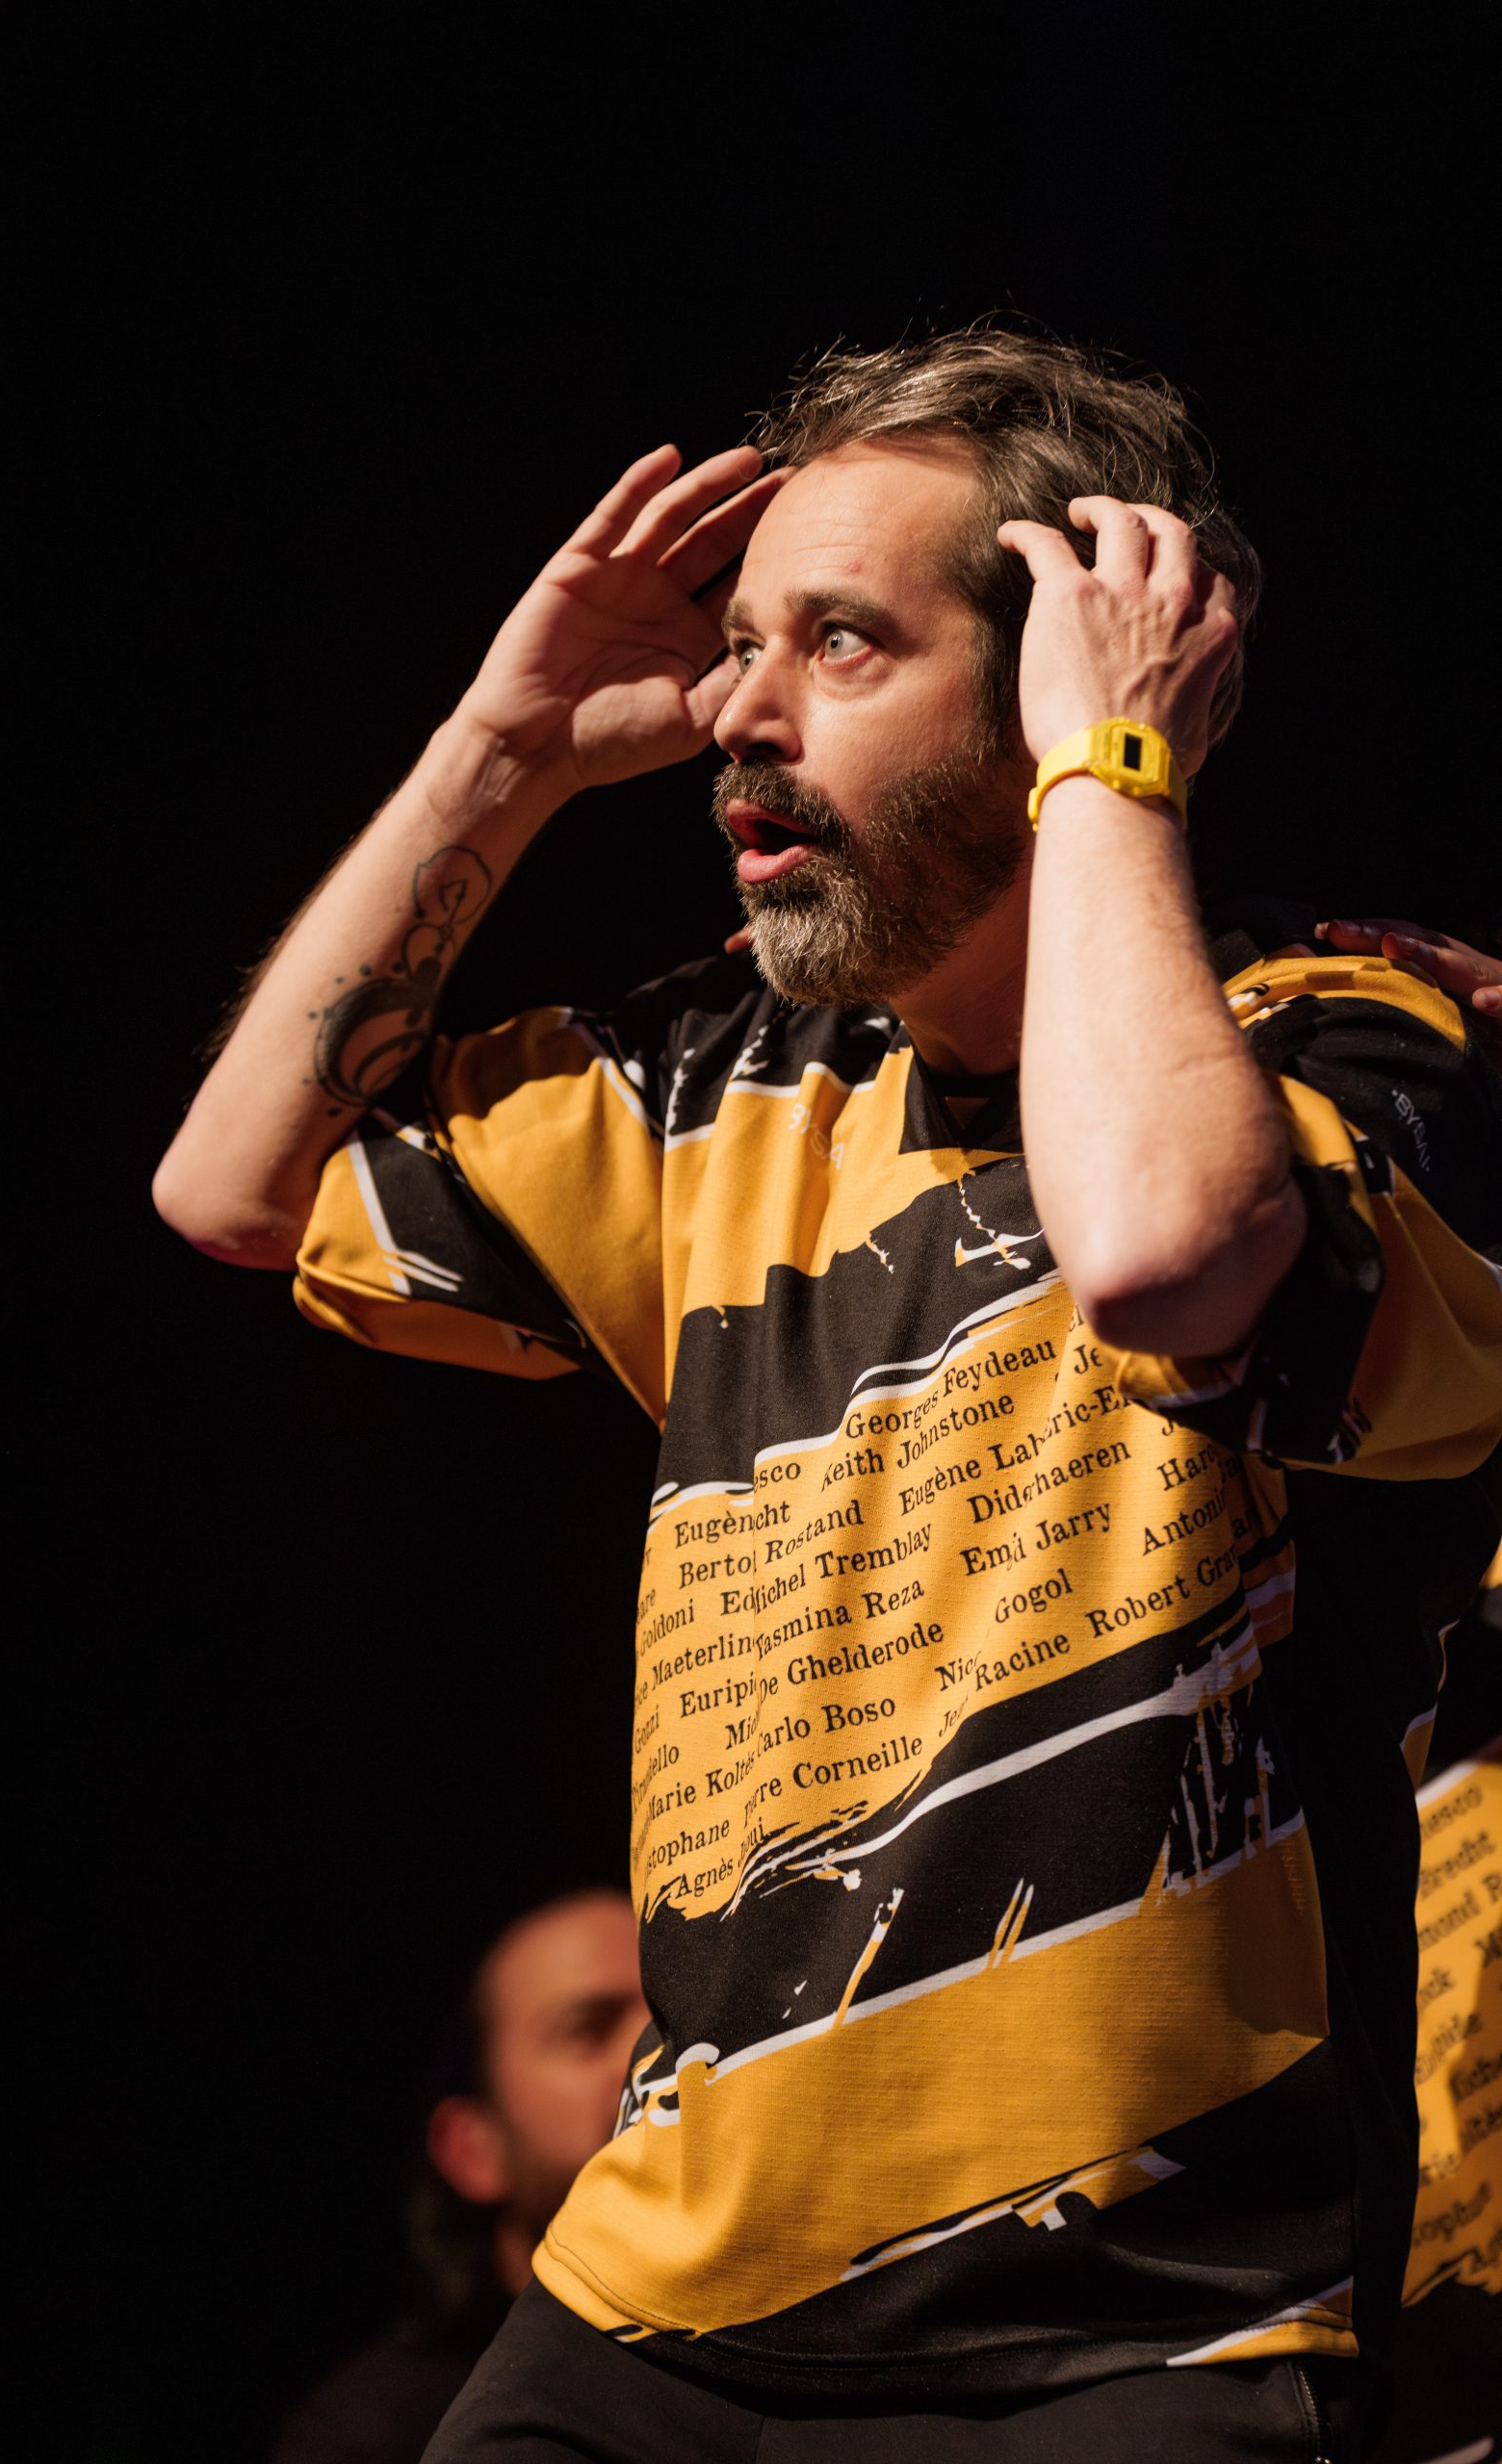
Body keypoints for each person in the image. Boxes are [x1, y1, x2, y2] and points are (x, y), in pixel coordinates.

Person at [156, 329, 1502, 2459]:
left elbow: (1164, 1255)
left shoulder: (1349, 1041)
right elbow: (233, 1190)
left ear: (1066, 664)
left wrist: (1107, 771)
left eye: (840, 642)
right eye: (739, 645)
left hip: (1144, 2332)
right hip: (660, 2313)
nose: (734, 712)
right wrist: (496, 752)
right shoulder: (720, 1087)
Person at [272, 1889, 647, 2464]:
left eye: (669, 2013)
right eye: (588, 2031)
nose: (656, 2052)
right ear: (474, 2150)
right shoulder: (383, 2437)